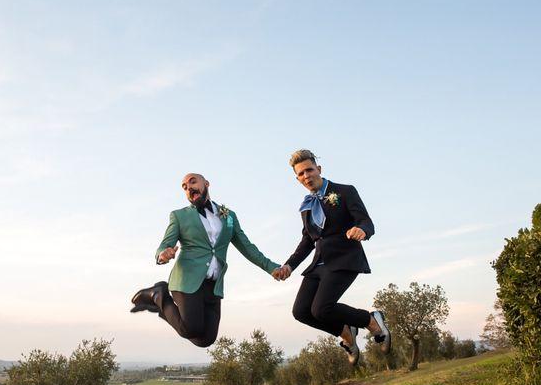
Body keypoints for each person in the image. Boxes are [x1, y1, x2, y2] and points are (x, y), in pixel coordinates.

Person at [130, 173, 284, 347]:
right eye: (185, 187)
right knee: (190, 329)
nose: (189, 188)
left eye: (193, 182)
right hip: (187, 280)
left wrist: (272, 267)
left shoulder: (229, 216)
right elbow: (165, 244)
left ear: (207, 184)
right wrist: (163, 255)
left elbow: (247, 247)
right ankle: (159, 295)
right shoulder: (179, 216)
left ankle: (164, 305)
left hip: (213, 284)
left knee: (206, 339)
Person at [273, 149, 391, 366]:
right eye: (301, 174)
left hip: (344, 259)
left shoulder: (345, 191)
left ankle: (372, 322)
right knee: (301, 312)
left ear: (319, 169)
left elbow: (366, 222)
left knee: (321, 309)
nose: (306, 176)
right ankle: (347, 333)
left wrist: (362, 231)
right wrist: (289, 265)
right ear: (297, 179)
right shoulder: (307, 206)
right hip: (318, 264)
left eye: (309, 170)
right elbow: (308, 240)